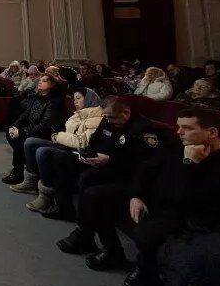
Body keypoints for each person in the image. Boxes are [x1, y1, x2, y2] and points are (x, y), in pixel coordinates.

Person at [74, 107, 220, 286]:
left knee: (147, 232)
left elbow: (193, 201)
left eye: (187, 128)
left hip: (186, 213)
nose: (179, 132)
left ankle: (148, 272)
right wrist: (136, 195)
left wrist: (190, 165)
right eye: (178, 127)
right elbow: (146, 169)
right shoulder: (176, 145)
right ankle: (112, 251)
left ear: (211, 132)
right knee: (93, 196)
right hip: (154, 198)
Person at [53, 95, 166, 226]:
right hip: (99, 160)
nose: (108, 121)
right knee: (61, 159)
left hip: (119, 169)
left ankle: (83, 225)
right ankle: (64, 208)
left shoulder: (142, 129)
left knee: (87, 178)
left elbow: (141, 163)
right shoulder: (108, 120)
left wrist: (110, 160)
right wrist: (88, 154)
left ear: (126, 113)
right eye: (106, 117)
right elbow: (94, 140)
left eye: (112, 117)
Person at [10, 87, 105, 214]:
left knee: (42, 152)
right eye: (74, 98)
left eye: (79, 98)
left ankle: (46, 194)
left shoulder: (96, 119)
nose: (75, 101)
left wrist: (58, 136)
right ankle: (30, 182)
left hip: (75, 151)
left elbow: (82, 142)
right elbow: (69, 132)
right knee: (30, 142)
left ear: (89, 99)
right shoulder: (78, 114)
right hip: (64, 144)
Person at [1, 74, 66, 185]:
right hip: (32, 129)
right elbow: (25, 114)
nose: (40, 82)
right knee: (10, 132)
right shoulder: (36, 96)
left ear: (52, 85)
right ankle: (23, 167)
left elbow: (45, 124)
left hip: (46, 133)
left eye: (44, 81)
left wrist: (22, 132)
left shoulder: (55, 101)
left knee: (19, 140)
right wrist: (15, 126)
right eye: (40, 80)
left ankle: (19, 172)